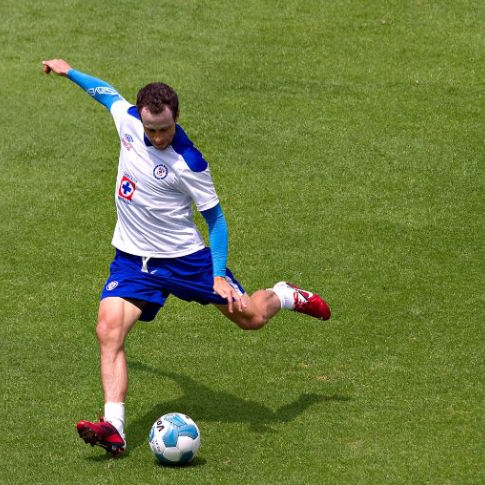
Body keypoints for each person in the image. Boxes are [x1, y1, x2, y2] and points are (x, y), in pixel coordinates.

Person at [41, 58, 331, 457]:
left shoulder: (189, 162)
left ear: (175, 117)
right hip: (132, 260)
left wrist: (216, 275)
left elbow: (217, 221)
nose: (158, 136)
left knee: (251, 319)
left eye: (165, 128)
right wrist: (68, 70)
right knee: (108, 331)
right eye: (151, 129)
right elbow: (104, 91)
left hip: (186, 261)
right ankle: (114, 428)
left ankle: (283, 294)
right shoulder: (128, 120)